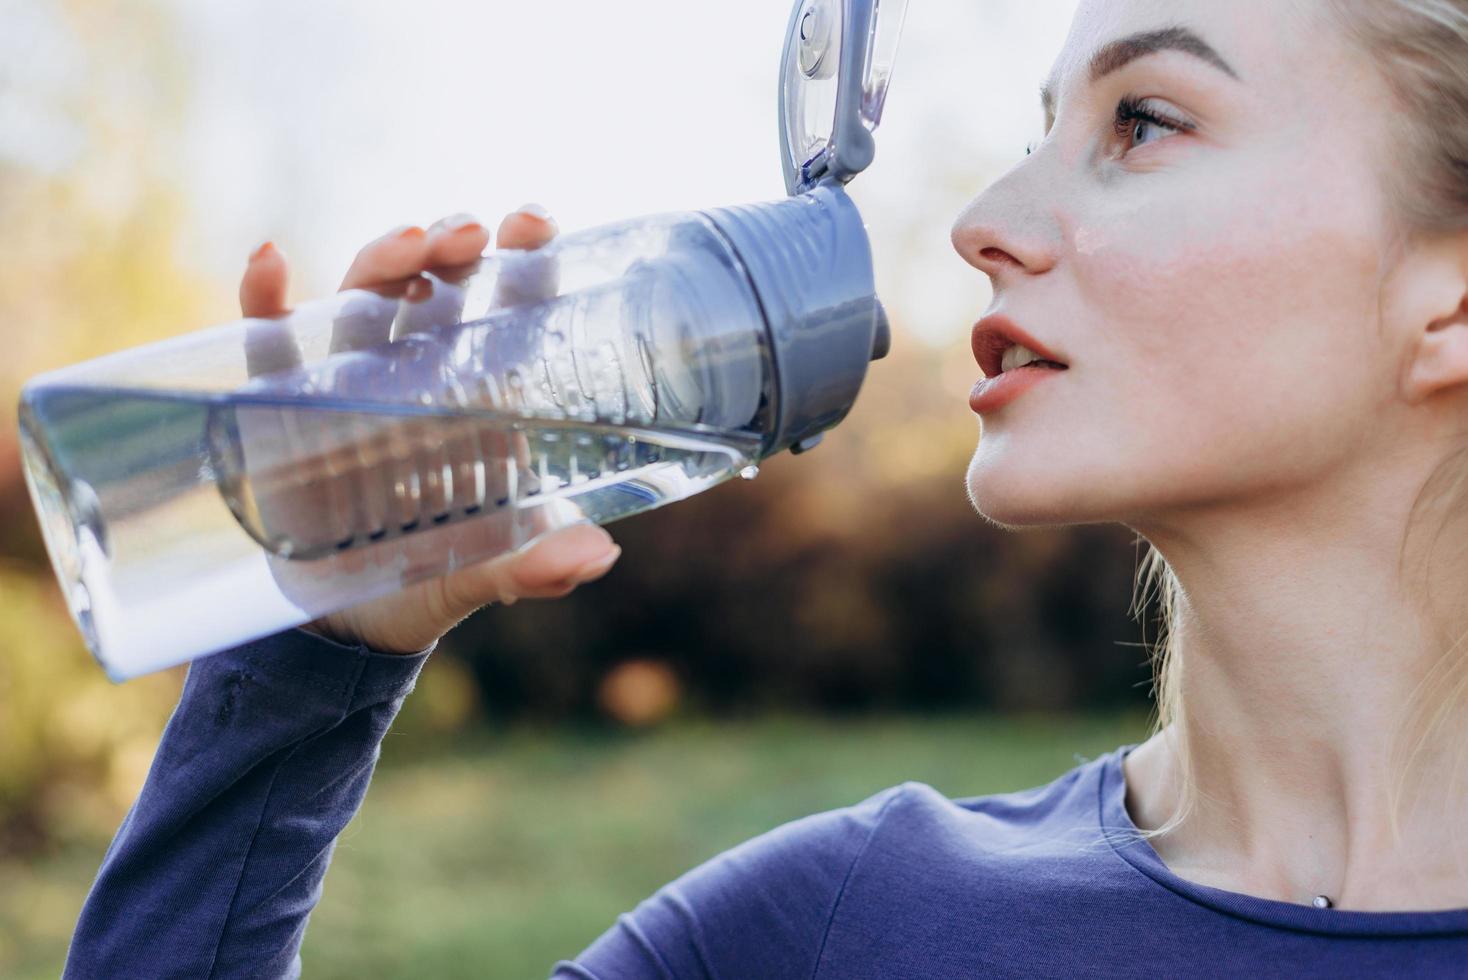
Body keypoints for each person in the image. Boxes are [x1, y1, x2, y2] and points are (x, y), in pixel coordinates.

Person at [63, 0, 1468, 975]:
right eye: (1044, 126)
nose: (985, 223)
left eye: (1144, 121)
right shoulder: (844, 929)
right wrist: (313, 654)